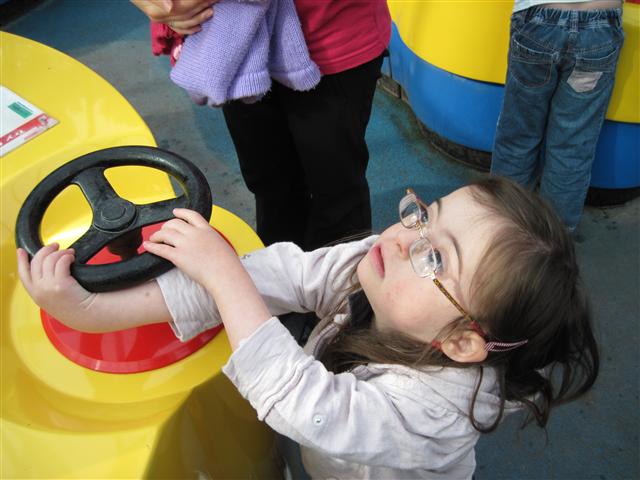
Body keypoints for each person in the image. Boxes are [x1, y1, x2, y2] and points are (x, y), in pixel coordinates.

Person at [17, 177, 599, 478]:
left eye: (436, 257)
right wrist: (91, 311)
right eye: (425, 215)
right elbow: (283, 274)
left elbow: (310, 406)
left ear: (462, 341)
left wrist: (224, 276)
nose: (404, 238)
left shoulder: (437, 413)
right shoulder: (376, 267)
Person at [131, 0, 391, 250]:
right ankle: (276, 272)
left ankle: (341, 277)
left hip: (331, 35)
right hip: (234, 42)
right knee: (270, 185)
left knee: (336, 188)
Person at [491, 0, 625, 233]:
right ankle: (554, 238)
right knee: (571, 148)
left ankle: (501, 229)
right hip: (600, 24)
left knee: (518, 139)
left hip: (539, 20)